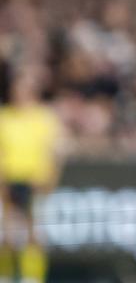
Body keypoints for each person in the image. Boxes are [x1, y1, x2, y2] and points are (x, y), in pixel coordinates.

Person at [0, 66, 65, 283]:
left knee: (34, 234)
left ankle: (32, 278)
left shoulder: (45, 117)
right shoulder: (5, 116)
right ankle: (5, 276)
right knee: (6, 235)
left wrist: (49, 178)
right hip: (8, 180)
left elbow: (55, 151)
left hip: (36, 181)